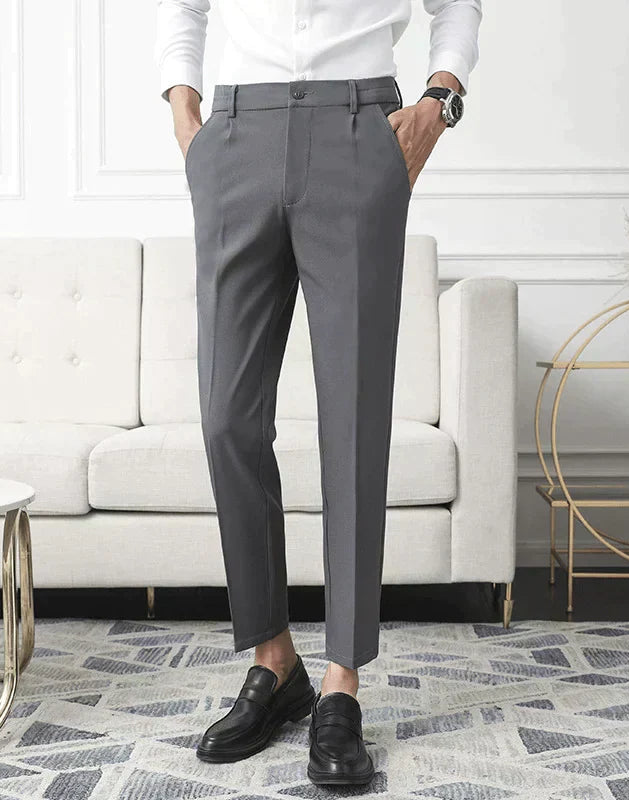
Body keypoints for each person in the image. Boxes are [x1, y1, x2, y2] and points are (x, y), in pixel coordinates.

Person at [155, 0, 481, 786]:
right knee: (227, 419)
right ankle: (275, 663)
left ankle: (342, 683)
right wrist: (185, 113)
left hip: (359, 130)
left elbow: (457, 5)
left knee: (354, 421)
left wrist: (437, 104)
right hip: (236, 134)